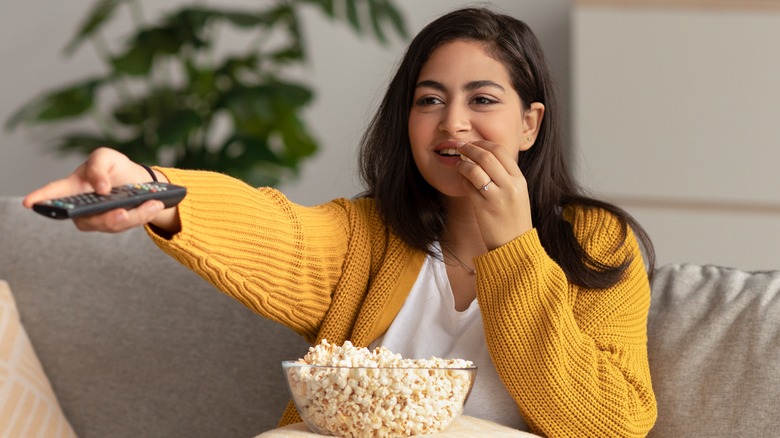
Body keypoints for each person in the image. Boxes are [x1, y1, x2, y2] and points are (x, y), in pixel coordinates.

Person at [23, 6, 657, 437]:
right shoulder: (369, 234)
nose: (453, 125)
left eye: (482, 100)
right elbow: (275, 231)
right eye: (429, 100)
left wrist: (515, 248)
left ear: (530, 123)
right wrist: (158, 192)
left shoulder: (595, 242)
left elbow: (611, 422)